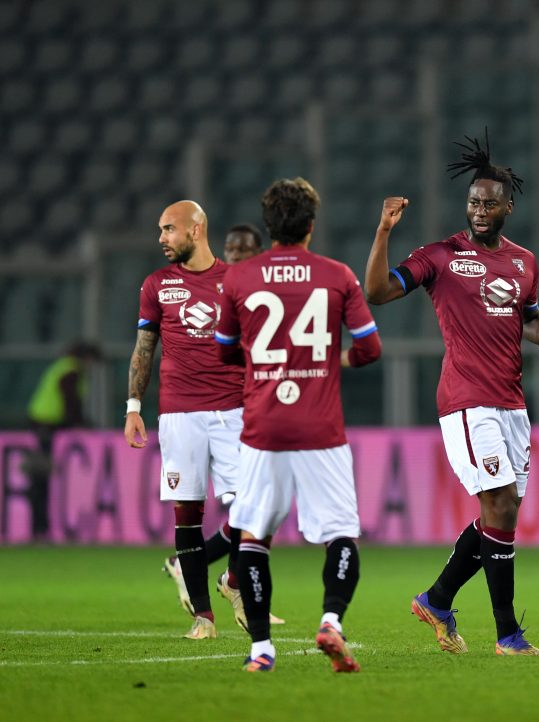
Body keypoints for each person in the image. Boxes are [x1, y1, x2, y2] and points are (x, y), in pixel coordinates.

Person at [365, 131, 539, 657]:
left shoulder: (524, 262)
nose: (479, 210)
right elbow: (377, 292)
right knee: (501, 504)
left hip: (512, 404)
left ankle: (438, 600)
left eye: (489, 202)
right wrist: (382, 232)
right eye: (472, 202)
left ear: (508, 206)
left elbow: (527, 318)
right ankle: (507, 633)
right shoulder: (440, 255)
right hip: (467, 401)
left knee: (501, 516)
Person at [216, 177, 381, 673]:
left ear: (269, 228)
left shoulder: (240, 279)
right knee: (341, 535)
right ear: (311, 225)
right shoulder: (337, 275)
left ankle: (261, 650)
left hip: (262, 430)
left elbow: (224, 351)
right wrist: (333, 361)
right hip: (320, 431)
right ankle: (331, 619)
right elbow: (370, 349)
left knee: (252, 539)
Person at [124, 200, 269, 639]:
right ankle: (203, 616)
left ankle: (234, 581)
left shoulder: (235, 280)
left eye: (169, 229)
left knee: (253, 509)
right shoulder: (156, 285)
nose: (162, 238)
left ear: (197, 228)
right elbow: (144, 349)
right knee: (187, 511)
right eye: (160, 230)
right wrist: (133, 407)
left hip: (233, 411)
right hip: (179, 414)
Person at [24, 341, 101, 540]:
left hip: (42, 424)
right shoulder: (71, 371)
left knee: (41, 478)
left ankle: (39, 529)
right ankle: (39, 530)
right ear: (86, 358)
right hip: (45, 427)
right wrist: (79, 422)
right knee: (41, 479)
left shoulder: (63, 367)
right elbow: (70, 400)